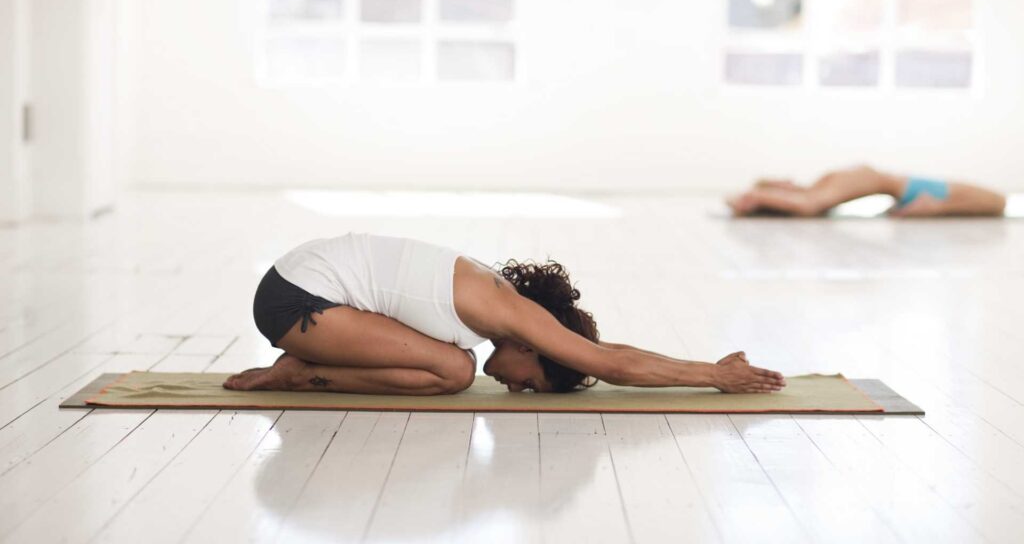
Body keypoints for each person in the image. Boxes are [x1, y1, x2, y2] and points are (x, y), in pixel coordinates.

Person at [224, 233, 786, 395]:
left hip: (300, 286)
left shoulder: (503, 309)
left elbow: (602, 353)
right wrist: (713, 376)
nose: (518, 389)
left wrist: (710, 369)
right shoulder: (508, 312)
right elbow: (609, 365)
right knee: (454, 372)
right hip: (297, 300)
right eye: (532, 383)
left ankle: (301, 366)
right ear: (531, 347)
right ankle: (296, 373)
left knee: (455, 365)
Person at [726, 165, 1006, 217]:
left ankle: (933, 207)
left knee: (996, 202)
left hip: (908, 186)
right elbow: (806, 207)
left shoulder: (815, 188)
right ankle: (933, 207)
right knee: (997, 202)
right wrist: (757, 196)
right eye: (779, 183)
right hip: (908, 187)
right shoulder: (813, 196)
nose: (787, 179)